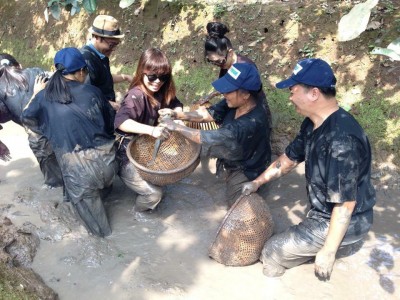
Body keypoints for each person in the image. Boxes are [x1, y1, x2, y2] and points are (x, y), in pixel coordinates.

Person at [241, 58, 376, 280]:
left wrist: (328, 253)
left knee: (272, 252)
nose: (290, 97)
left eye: (293, 91)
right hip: (326, 211)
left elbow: (344, 204)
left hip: (346, 219)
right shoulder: (313, 122)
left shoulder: (341, 141)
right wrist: (257, 182)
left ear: (314, 93)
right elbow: (289, 159)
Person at [23, 47, 118, 237]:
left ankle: (107, 240)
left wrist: (36, 93)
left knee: (101, 233)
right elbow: (110, 125)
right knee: (98, 185)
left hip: (79, 173)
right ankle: (103, 193)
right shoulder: (93, 92)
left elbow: (26, 117)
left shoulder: (43, 97)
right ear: (81, 71)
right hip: (110, 165)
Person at [159, 63, 271, 207]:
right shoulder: (234, 102)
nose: (224, 94)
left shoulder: (251, 123)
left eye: (229, 91)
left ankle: (258, 185)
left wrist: (175, 127)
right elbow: (208, 114)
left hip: (248, 166)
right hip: (234, 152)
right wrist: (177, 114)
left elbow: (206, 137)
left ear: (246, 94)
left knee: (237, 205)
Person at [114, 48, 183, 212]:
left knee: (165, 177)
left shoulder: (162, 90)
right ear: (141, 72)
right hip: (125, 154)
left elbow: (177, 104)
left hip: (147, 148)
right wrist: (152, 131)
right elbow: (121, 121)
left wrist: (175, 116)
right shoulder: (135, 96)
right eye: (152, 76)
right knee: (153, 194)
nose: (157, 81)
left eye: (163, 77)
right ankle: (138, 216)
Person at [0, 53, 63, 187]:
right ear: (19, 65)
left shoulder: (1, 93)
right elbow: (62, 83)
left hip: (38, 138)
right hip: (61, 127)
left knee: (55, 183)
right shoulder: (35, 72)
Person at [81, 15, 133, 111]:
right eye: (111, 45)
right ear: (97, 37)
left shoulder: (101, 55)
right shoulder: (87, 59)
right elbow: (85, 95)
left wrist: (125, 77)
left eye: (116, 45)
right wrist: (112, 105)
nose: (113, 49)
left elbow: (104, 78)